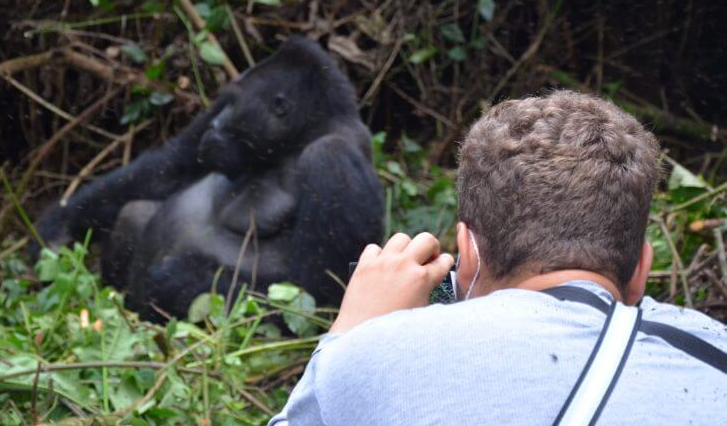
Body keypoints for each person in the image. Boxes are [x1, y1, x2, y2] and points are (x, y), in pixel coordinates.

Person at [269, 90, 726, 425]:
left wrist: (349, 337)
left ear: (468, 252)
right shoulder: (714, 352)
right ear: (641, 270)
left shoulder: (371, 358)